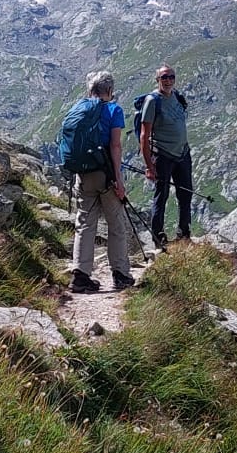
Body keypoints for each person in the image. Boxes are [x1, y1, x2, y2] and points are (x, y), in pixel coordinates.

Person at [67, 71, 134, 293]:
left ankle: (80, 275)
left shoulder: (80, 108)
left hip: (83, 173)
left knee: (85, 223)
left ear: (90, 89)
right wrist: (118, 179)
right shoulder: (114, 110)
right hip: (105, 173)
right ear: (110, 90)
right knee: (116, 224)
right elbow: (115, 146)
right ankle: (121, 274)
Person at [139, 63, 193, 246]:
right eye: (164, 77)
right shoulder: (153, 101)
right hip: (163, 155)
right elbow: (144, 135)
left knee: (186, 194)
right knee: (161, 196)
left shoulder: (177, 96)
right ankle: (158, 238)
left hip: (182, 154)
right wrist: (148, 165)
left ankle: (184, 234)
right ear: (157, 80)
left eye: (171, 77)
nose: (168, 80)